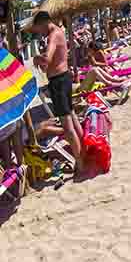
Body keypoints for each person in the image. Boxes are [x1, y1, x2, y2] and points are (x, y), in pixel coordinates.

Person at [29, 12, 85, 172]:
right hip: (64, 78)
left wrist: (36, 58)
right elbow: (52, 60)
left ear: (44, 23)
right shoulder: (59, 31)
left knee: (67, 126)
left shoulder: (52, 35)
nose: (40, 32)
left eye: (39, 29)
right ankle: (84, 151)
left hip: (58, 82)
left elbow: (47, 58)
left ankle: (80, 164)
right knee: (72, 116)